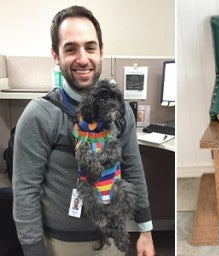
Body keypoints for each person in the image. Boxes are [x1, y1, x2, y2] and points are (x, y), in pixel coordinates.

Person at [12, 5, 155, 256]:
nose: (82, 58)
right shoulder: (40, 115)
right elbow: (25, 192)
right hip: (61, 245)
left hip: (112, 237)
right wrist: (33, 250)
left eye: (90, 47)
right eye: (70, 48)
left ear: (101, 51)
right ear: (56, 55)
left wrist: (145, 231)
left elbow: (133, 169)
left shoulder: (120, 110)